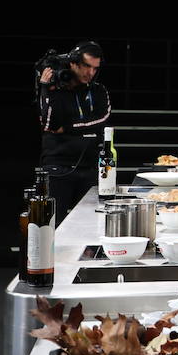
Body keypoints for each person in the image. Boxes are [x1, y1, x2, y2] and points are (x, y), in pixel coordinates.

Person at [38, 40, 111, 224]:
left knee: (90, 225)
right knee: (53, 225)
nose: (91, 73)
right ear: (73, 63)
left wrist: (69, 128)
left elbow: (102, 120)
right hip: (58, 166)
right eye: (87, 66)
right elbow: (49, 125)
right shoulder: (55, 91)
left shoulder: (99, 91)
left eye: (95, 68)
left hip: (89, 167)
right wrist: (47, 89)